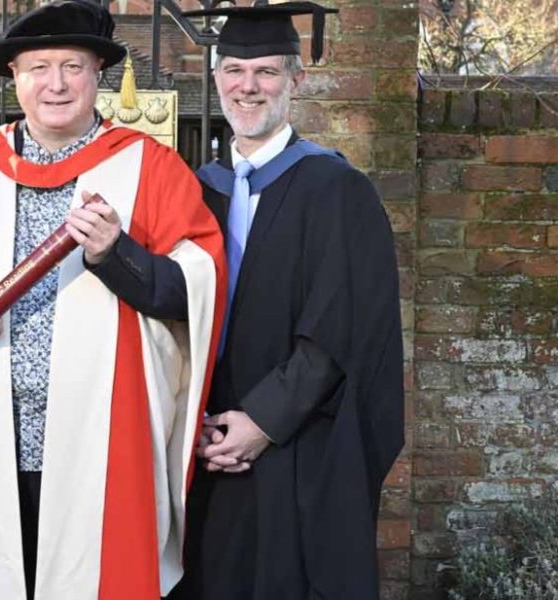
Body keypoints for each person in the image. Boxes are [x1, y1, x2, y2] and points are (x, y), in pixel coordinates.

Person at [0, 1, 227, 598]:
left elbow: (196, 286)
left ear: (96, 74)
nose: (55, 84)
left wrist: (116, 254)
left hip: (106, 432)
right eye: (39, 68)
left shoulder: (151, 166)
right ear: (15, 78)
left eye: (72, 67)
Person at [170, 3, 405, 599]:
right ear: (216, 78)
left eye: (266, 72)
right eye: (234, 70)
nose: (248, 86)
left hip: (294, 447)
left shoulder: (337, 190)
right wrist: (188, 419)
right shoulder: (194, 192)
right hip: (200, 448)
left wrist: (262, 422)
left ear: (296, 80)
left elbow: (341, 327)